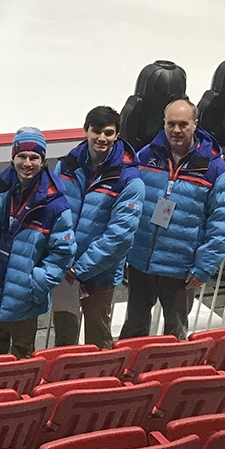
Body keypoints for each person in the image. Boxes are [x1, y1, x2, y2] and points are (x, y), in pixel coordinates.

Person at [121, 100, 225, 340]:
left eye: (183, 124)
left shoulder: (216, 170)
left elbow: (221, 226)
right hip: (142, 262)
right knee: (134, 327)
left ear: (195, 124)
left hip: (180, 268)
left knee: (175, 333)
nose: (176, 130)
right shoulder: (146, 155)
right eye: (171, 124)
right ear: (164, 123)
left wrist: (204, 266)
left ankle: (169, 376)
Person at [50, 108, 145, 349]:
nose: (102, 138)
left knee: (98, 340)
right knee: (64, 340)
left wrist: (80, 269)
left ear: (117, 135)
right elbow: (53, 215)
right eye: (96, 131)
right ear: (86, 130)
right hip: (66, 271)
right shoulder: (66, 166)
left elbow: (120, 236)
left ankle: (100, 385)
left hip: (99, 274)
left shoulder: (129, 179)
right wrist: (62, 259)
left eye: (109, 132)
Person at [0, 128, 76, 358]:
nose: (27, 163)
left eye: (34, 157)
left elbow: (63, 253)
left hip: (26, 290)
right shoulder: (0, 188)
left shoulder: (54, 203)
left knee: (22, 351)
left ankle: (17, 393)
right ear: (13, 157)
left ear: (43, 161)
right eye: (22, 156)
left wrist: (37, 282)